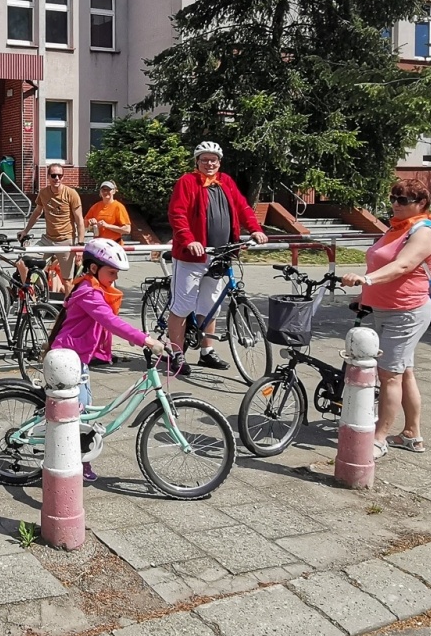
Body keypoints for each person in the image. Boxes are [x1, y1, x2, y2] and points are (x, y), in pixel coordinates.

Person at [47, 239, 169, 480]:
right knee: (76, 415)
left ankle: (73, 451)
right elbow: (111, 322)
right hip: (67, 362)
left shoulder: (93, 289)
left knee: (82, 409)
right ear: (94, 269)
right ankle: (74, 461)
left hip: (77, 359)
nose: (115, 278)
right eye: (111, 272)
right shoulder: (88, 293)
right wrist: (146, 340)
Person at [341, 179, 431, 459]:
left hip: (407, 311)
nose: (396, 203)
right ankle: (412, 433)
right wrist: (364, 295)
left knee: (388, 376)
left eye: (404, 200)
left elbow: (403, 265)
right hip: (383, 308)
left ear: (421, 204)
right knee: (402, 371)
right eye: (394, 197)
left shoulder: (424, 231)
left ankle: (378, 438)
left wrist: (366, 279)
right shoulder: (397, 228)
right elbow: (380, 260)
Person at [166, 142, 269, 369]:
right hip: (192, 256)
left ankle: (207, 351)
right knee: (183, 305)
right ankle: (175, 355)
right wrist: (189, 239)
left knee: (210, 303)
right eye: (204, 160)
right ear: (197, 162)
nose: (209, 164)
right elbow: (177, 213)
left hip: (221, 254)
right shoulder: (188, 182)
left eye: (213, 160)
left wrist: (255, 229)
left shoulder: (226, 182)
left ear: (219, 162)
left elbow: (243, 208)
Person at [18, 165, 84, 292]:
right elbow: (37, 213)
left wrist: (80, 245)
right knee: (23, 263)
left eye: (60, 175)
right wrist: (25, 231)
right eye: (53, 175)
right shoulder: (43, 193)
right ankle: (35, 296)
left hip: (66, 240)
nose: (57, 178)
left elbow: (79, 220)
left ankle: (68, 310)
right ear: (48, 176)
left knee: (67, 282)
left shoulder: (71, 194)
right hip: (47, 240)